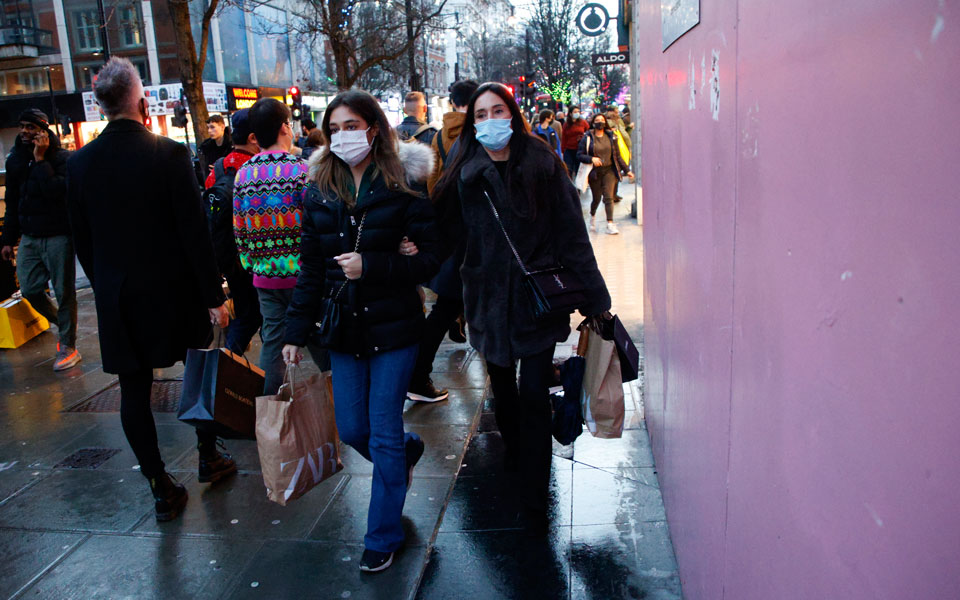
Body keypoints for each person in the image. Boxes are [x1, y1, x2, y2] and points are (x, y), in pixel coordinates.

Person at [432, 82, 611, 530]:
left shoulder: (542, 163)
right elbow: (444, 235)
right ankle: (514, 450)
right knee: (502, 387)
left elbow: (573, 234)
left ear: (512, 113)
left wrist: (596, 298)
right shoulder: (463, 171)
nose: (491, 120)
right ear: (472, 122)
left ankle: (535, 483)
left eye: (498, 110)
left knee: (533, 391)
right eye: (482, 114)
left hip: (536, 298)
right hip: (487, 299)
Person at [66, 57, 236, 522]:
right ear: (141, 100)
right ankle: (208, 455)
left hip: (118, 296)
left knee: (133, 391)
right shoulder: (168, 154)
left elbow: (83, 239)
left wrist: (105, 284)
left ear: (102, 105)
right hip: (175, 289)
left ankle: (160, 484)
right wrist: (213, 296)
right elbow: (194, 233)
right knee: (198, 370)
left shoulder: (79, 164)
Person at [281, 90, 441, 572]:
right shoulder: (317, 189)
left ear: (374, 127)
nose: (342, 136)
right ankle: (408, 455)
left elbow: (432, 260)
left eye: (351, 125)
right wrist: (294, 330)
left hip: (394, 328)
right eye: (334, 128)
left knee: (385, 431)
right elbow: (310, 268)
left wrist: (372, 265)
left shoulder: (404, 183)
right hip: (343, 329)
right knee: (353, 429)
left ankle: (382, 535)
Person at [233, 98, 330, 395]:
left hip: (266, 277)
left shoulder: (243, 174)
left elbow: (240, 230)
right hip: (306, 276)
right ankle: (344, 398)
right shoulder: (304, 170)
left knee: (273, 343)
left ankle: (271, 410)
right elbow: (320, 221)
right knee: (320, 339)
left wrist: (254, 266)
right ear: (285, 128)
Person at [403, 79, 482, 404]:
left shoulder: (436, 137)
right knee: (477, 304)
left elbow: (433, 186)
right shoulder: (480, 131)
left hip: (453, 236)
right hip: (481, 234)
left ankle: (418, 375)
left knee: (445, 307)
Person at [0, 109, 79, 371]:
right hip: (30, 236)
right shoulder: (15, 161)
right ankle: (62, 323)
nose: (24, 132)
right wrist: (8, 240)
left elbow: (58, 193)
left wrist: (41, 160)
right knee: (31, 289)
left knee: (64, 290)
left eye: (30, 127)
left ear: (43, 131)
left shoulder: (62, 158)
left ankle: (68, 345)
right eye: (22, 126)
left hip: (58, 235)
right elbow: (12, 201)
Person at [202, 108, 263, 356]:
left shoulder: (218, 167)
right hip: (256, 257)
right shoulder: (255, 169)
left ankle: (228, 361)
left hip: (229, 258)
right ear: (253, 138)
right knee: (253, 316)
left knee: (249, 313)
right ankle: (226, 369)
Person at [577, 113, 633, 235]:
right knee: (596, 198)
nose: (600, 122)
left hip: (609, 171)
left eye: (602, 120)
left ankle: (610, 223)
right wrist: (591, 159)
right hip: (595, 173)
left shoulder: (611, 137)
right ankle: (592, 216)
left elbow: (617, 156)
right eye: (597, 120)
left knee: (608, 197)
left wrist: (627, 170)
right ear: (593, 123)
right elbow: (579, 155)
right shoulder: (587, 137)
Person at [561, 107, 589, 178]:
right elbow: (564, 137)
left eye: (578, 111)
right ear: (570, 114)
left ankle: (578, 186)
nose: (577, 113)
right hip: (569, 149)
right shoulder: (566, 124)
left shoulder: (583, 122)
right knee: (568, 168)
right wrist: (562, 150)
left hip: (580, 149)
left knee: (579, 169)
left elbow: (588, 132)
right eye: (575, 112)